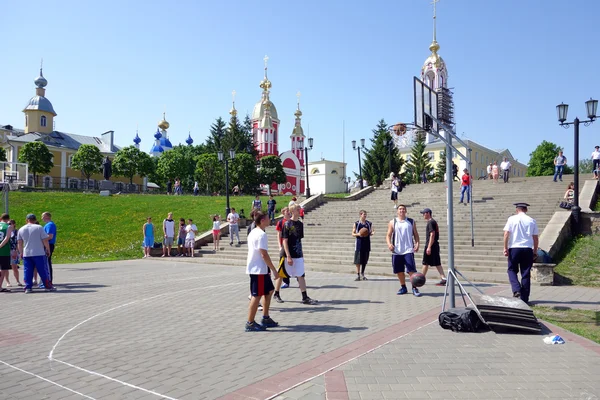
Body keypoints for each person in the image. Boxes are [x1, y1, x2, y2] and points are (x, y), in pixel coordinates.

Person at [245, 211, 280, 331]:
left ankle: (265, 318)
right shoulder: (261, 234)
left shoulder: (254, 232)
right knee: (257, 295)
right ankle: (250, 322)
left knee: (269, 291)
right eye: (268, 218)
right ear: (262, 220)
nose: (270, 219)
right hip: (258, 269)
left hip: (260, 269)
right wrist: (274, 270)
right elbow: (263, 254)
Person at [279, 204, 318, 304]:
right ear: (293, 211)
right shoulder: (287, 224)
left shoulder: (300, 224)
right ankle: (276, 293)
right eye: (298, 209)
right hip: (287, 254)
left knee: (301, 275)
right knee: (281, 274)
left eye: (299, 209)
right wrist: (288, 255)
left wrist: (301, 254)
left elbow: (298, 240)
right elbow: (285, 241)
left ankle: (304, 297)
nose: (299, 210)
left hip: (298, 253)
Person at [503, 203, 539, 304]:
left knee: (511, 270)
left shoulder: (511, 219)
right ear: (526, 210)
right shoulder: (532, 220)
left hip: (514, 248)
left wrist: (505, 248)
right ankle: (525, 298)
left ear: (517, 210)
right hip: (527, 248)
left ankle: (516, 289)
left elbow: (506, 234)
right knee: (526, 274)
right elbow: (535, 238)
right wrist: (535, 251)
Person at [386, 205, 421, 297]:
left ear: (406, 211)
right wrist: (389, 244)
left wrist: (417, 244)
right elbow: (388, 235)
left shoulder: (411, 221)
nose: (402, 210)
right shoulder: (393, 222)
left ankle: (414, 288)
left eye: (403, 209)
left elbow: (416, 234)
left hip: (408, 249)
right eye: (400, 209)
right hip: (397, 250)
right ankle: (403, 287)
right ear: (397, 211)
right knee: (399, 271)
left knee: (411, 270)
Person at [17, 213, 55, 293]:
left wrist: (21, 253)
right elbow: (45, 240)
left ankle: (28, 287)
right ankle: (47, 286)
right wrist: (47, 250)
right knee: (43, 270)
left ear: (27, 220)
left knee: (27, 271)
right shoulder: (39, 227)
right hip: (39, 252)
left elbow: (19, 243)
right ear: (35, 220)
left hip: (27, 253)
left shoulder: (21, 229)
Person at [419, 208, 446, 286]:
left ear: (428, 213)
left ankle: (421, 279)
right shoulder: (433, 222)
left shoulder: (430, 222)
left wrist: (429, 247)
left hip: (431, 245)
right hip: (435, 245)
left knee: (425, 262)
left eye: (424, 213)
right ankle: (443, 278)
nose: (423, 215)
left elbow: (432, 234)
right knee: (437, 262)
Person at [274, 207, 292, 296]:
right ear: (283, 213)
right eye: (287, 211)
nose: (289, 212)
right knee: (283, 266)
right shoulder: (281, 222)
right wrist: (279, 246)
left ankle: (299, 280)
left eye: (289, 211)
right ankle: (285, 282)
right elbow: (279, 234)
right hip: (284, 247)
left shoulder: (293, 221)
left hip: (292, 247)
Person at [352, 210, 373, 281]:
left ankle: (362, 273)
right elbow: (353, 233)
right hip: (359, 243)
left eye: (366, 214)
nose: (365, 216)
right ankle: (358, 274)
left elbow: (371, 231)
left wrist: (372, 233)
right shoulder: (357, 223)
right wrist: (358, 234)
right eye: (364, 214)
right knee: (358, 260)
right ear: (360, 215)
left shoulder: (369, 223)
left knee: (364, 260)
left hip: (366, 243)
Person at [0, 213, 14, 292]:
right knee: (4, 269)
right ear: (8, 219)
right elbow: (7, 238)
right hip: (4, 251)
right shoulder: (8, 226)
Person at [6, 220, 22, 287]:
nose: (9, 225)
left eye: (10, 223)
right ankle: (8, 282)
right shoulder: (5, 231)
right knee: (5, 268)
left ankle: (18, 281)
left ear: (14, 224)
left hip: (13, 250)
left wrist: (17, 251)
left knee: (14, 267)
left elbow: (18, 242)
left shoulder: (16, 232)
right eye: (7, 224)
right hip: (6, 251)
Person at [41, 212, 56, 282]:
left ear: (47, 216)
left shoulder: (50, 225)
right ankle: (46, 279)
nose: (42, 218)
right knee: (45, 262)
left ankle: (49, 280)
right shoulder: (47, 225)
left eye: (43, 216)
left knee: (47, 262)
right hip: (46, 244)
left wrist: (41, 240)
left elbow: (50, 236)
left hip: (48, 244)